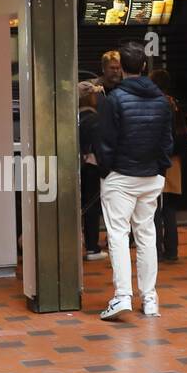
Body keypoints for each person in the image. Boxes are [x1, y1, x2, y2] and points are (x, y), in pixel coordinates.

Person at [95, 41, 172, 321]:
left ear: (122, 69)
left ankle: (122, 296)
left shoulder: (113, 99)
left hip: (121, 177)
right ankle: (150, 298)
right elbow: (167, 142)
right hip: (151, 177)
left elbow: (104, 142)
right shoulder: (162, 100)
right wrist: (160, 169)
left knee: (117, 235)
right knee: (146, 236)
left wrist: (108, 171)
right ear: (143, 66)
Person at [148, 68, 187, 263]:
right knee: (170, 208)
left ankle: (155, 250)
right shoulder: (176, 105)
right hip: (174, 162)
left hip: (156, 160)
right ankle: (172, 250)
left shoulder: (153, 104)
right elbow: (185, 133)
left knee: (154, 208)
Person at [78, 81, 105, 261]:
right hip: (93, 166)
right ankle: (92, 246)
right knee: (91, 207)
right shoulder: (96, 120)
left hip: (76, 166)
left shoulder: (74, 118)